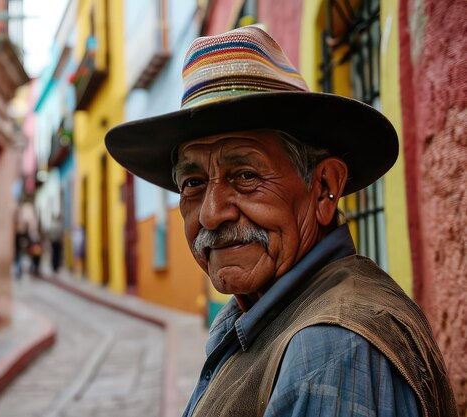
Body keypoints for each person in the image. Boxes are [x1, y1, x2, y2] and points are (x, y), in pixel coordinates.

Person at [105, 26, 457, 417]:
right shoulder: (265, 316)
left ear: (324, 187)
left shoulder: (328, 349)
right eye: (193, 183)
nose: (210, 213)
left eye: (246, 176)